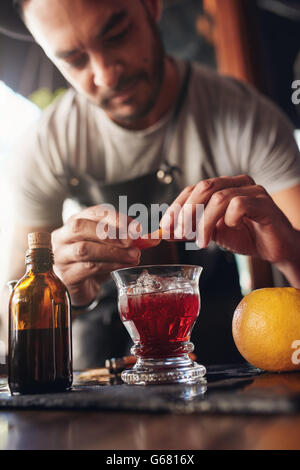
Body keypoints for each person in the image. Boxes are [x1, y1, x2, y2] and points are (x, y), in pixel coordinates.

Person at [1, 0, 300, 368]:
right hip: (97, 382)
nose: (106, 75)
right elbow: (8, 323)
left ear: (153, 6)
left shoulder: (248, 120)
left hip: (222, 369)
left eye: (117, 35)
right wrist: (60, 291)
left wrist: (291, 251)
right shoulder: (44, 146)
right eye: (75, 60)